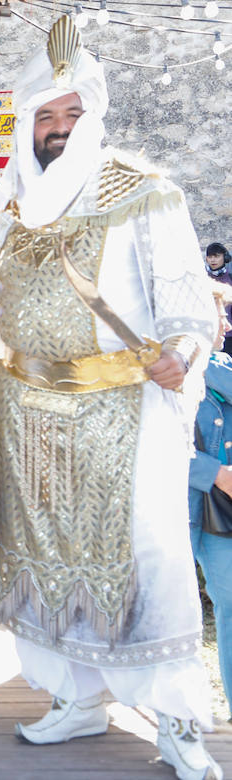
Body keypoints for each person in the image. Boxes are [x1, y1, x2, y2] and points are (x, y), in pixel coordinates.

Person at [0, 14, 221, 780]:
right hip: (29, 414)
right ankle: (78, 701)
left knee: (147, 562)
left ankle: (179, 722)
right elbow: (0, 299)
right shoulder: (3, 204)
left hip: (125, 409)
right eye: (43, 115)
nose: (56, 128)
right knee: (45, 558)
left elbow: (187, 306)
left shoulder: (145, 191)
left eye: (70, 113)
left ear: (94, 115)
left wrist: (182, 355)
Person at [189, 290, 232, 728]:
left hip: (223, 517)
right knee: (170, 613)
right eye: (220, 314)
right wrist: (213, 472)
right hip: (173, 509)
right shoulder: (154, 369)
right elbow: (152, 440)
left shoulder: (222, 370)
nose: (228, 324)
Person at [207, 244, 232, 353]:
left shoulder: (230, 279)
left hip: (229, 336)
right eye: (210, 257)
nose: (213, 260)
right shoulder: (203, 278)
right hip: (210, 336)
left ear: (225, 258)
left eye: (216, 256)